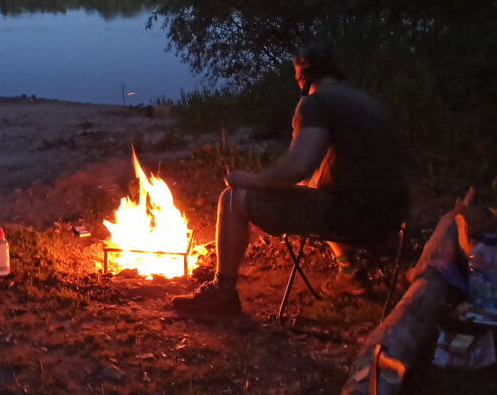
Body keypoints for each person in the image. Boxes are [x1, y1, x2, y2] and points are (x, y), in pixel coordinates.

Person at [171, 42, 409, 314]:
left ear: (304, 72)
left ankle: (222, 295)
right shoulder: (365, 103)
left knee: (231, 199)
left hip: (353, 217)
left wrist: (252, 180)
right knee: (314, 190)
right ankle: (350, 274)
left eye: (296, 70)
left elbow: (299, 165)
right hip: (392, 218)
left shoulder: (316, 103)